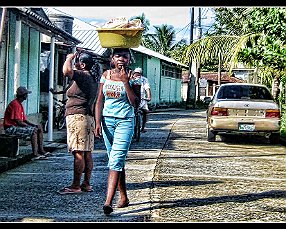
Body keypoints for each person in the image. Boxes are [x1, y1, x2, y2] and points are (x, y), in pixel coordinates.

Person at [94, 48, 141, 215]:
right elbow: (99, 99)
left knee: (115, 160)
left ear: (129, 60)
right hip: (107, 121)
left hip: (125, 122)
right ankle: (124, 197)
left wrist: (125, 82)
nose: (121, 59)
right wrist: (97, 121)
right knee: (116, 161)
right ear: (112, 58)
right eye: (118, 56)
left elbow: (135, 103)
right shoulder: (105, 75)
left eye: (125, 57)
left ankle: (108, 202)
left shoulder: (134, 78)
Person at [58, 51, 100, 195]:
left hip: (78, 117)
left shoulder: (83, 75)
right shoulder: (93, 78)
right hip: (87, 118)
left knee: (78, 153)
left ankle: (76, 185)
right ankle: (86, 183)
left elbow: (66, 71)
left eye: (77, 61)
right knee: (87, 152)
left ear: (82, 64)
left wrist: (69, 57)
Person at [3, 86, 49, 160]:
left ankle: (41, 150)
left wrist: (34, 125)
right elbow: (18, 121)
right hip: (10, 128)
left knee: (39, 127)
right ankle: (35, 153)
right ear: (23, 95)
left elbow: (24, 119)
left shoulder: (19, 104)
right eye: (26, 94)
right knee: (33, 131)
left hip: (16, 126)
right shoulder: (15, 104)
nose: (27, 96)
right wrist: (30, 127)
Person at [133, 67, 152, 133]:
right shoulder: (131, 78)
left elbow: (147, 88)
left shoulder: (144, 80)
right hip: (133, 98)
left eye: (138, 73)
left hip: (142, 98)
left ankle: (143, 127)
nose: (137, 75)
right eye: (136, 73)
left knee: (145, 112)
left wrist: (149, 96)